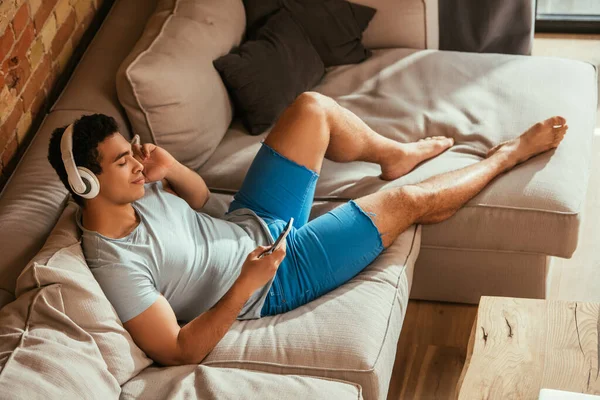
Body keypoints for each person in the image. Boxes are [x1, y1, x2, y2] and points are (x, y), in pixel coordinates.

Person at [47, 91, 567, 366]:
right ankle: (508, 155)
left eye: (132, 152)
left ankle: (393, 153)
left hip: (249, 221)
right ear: (88, 184)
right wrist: (247, 285)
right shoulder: (116, 262)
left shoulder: (141, 189)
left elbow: (202, 202)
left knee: (311, 108)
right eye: (123, 161)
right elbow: (179, 350)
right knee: (406, 202)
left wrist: (171, 168)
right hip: (275, 276)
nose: (137, 164)